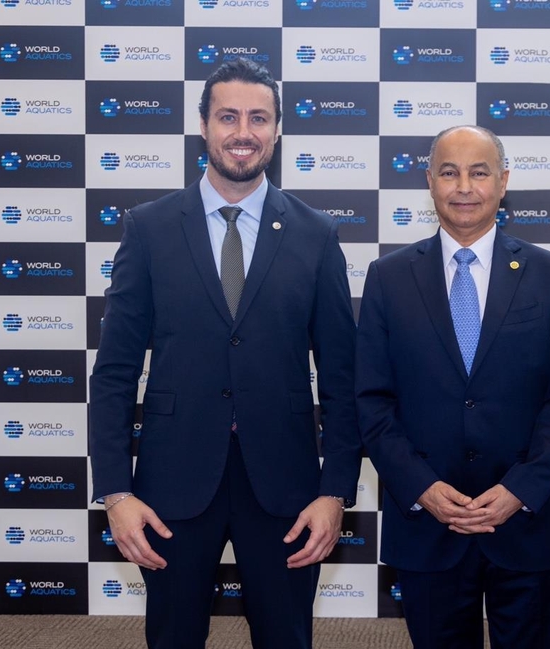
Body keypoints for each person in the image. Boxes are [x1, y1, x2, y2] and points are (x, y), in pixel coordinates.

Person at [89, 58, 360, 649]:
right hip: (171, 484)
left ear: (279, 129)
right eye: (228, 116)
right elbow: (113, 373)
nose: (244, 131)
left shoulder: (317, 235)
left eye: (258, 118)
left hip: (286, 487)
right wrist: (116, 492)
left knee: (287, 639)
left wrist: (334, 491)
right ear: (204, 126)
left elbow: (343, 379)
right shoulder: (150, 228)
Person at [355, 125, 550, 649]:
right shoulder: (388, 277)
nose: (465, 186)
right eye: (449, 172)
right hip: (428, 526)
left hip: (528, 524)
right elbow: (372, 401)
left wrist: (518, 491)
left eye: (479, 172)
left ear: (503, 182)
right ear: (429, 181)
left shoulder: (549, 275)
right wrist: (422, 488)